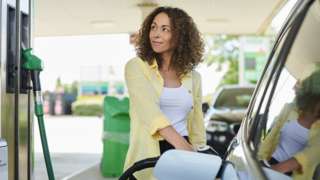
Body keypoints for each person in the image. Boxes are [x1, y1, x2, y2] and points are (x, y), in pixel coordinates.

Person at [123, 6, 206, 179]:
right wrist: (184, 147)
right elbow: (149, 111)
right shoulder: (136, 67)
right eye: (153, 27)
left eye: (164, 29)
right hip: (150, 154)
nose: (156, 34)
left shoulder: (194, 78)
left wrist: (200, 158)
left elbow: (197, 124)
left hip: (184, 154)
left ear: (180, 36)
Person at [258, 70, 320, 180]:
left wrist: (267, 172)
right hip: (268, 162)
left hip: (293, 175)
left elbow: (307, 156)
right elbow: (270, 138)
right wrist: (260, 162)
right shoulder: (289, 109)